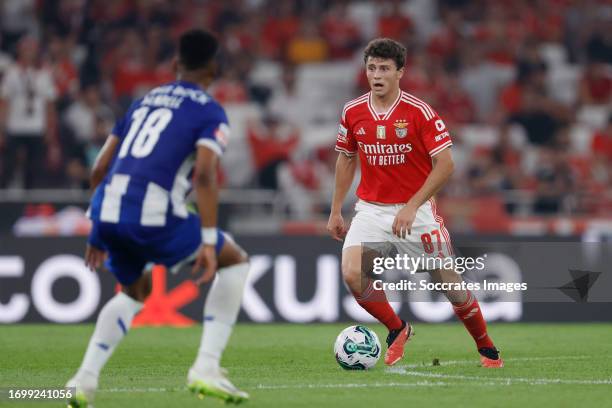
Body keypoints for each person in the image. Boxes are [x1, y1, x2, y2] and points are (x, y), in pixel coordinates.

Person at [65, 29, 250, 407]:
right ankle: (206, 367)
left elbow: (99, 169)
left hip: (109, 211)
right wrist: (209, 241)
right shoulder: (209, 110)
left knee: (136, 292)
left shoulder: (143, 100)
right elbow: (204, 174)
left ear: (174, 65)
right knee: (234, 261)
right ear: (213, 69)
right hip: (152, 212)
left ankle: (83, 380)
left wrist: (98, 230)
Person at [327, 38, 503, 368]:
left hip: (417, 211)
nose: (376, 75)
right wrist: (336, 209)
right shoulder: (353, 111)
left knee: (450, 285)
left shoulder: (419, 112)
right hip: (371, 210)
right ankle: (397, 328)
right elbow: (346, 158)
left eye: (384, 69)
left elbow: (446, 164)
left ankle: (487, 347)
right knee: (352, 273)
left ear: (400, 73)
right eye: (371, 68)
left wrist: (412, 205)